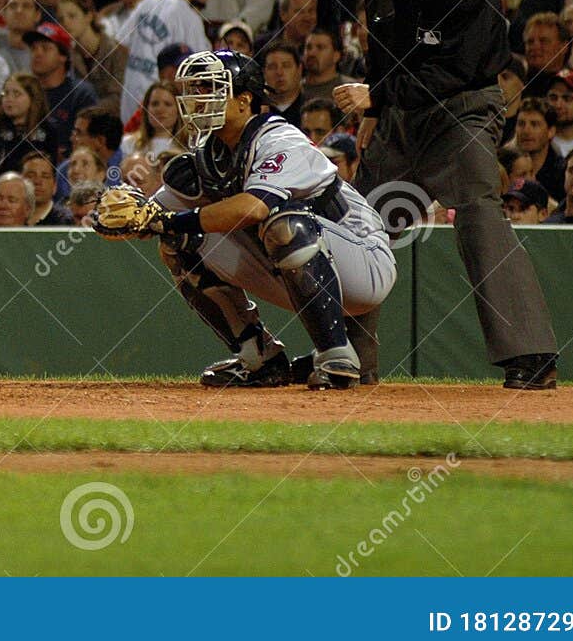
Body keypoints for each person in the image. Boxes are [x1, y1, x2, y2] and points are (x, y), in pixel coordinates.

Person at [338, 0, 559, 390]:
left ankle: (532, 356)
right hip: (400, 112)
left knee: (478, 213)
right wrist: (376, 107)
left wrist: (380, 95)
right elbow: (383, 42)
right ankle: (344, 357)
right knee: (357, 223)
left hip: (462, 108)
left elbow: (459, 69)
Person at [92, 50, 395, 389]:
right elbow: (159, 217)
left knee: (284, 224)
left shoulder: (278, 138)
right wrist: (131, 215)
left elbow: (252, 208)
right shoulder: (207, 154)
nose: (198, 99)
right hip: (296, 266)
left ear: (243, 100)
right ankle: (260, 358)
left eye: (211, 89)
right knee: (178, 241)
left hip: (363, 261)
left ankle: (336, 357)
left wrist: (167, 221)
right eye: (195, 89)